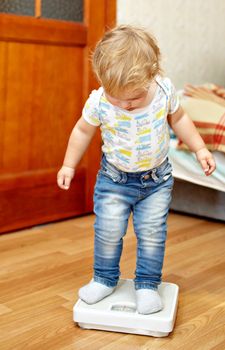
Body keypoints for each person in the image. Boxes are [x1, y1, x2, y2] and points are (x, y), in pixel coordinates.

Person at [57, 25, 216, 314]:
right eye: (117, 97)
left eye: (134, 98)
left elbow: (179, 119)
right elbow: (82, 131)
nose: (125, 105)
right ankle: (104, 278)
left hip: (156, 181)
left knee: (152, 233)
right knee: (108, 231)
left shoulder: (164, 90)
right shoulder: (100, 101)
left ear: (152, 75)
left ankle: (147, 284)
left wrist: (200, 148)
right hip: (113, 180)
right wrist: (69, 164)